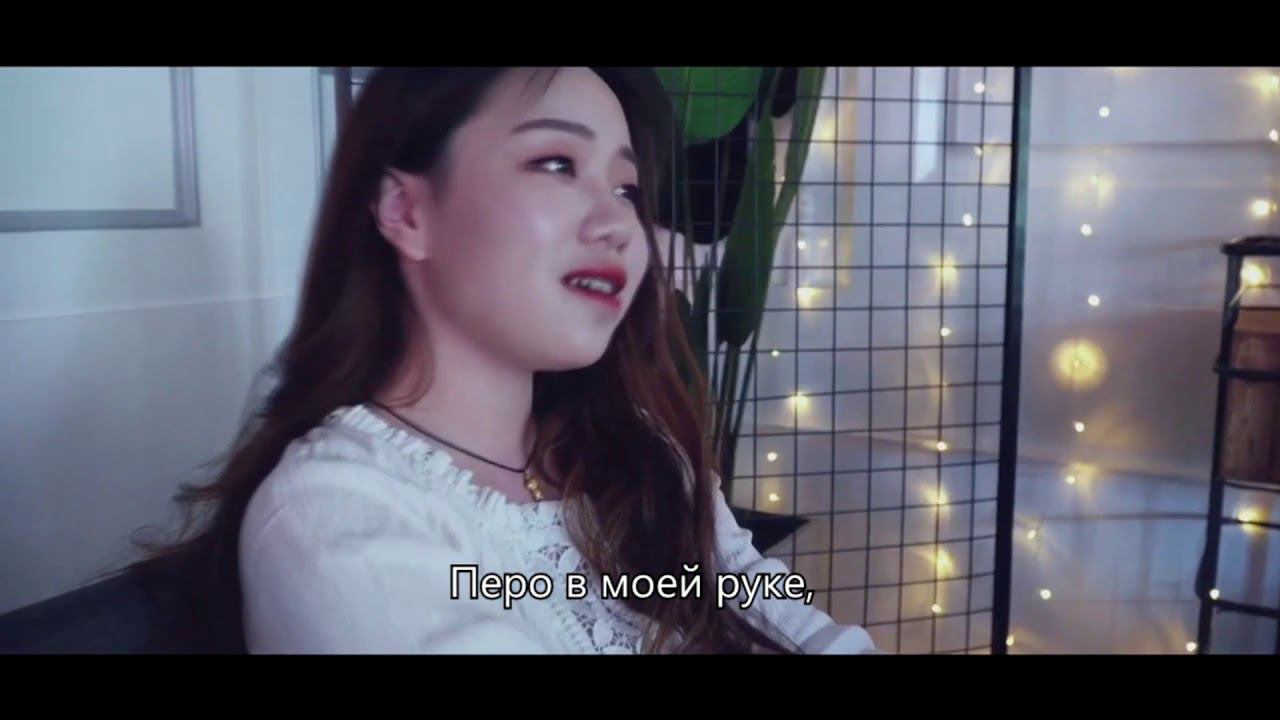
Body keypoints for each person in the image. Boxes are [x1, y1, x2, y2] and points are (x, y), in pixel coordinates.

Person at [125, 67, 876, 654]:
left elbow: (762, 602)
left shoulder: (641, 451)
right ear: (407, 211)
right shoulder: (334, 513)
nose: (618, 223)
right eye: (555, 163)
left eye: (626, 188)